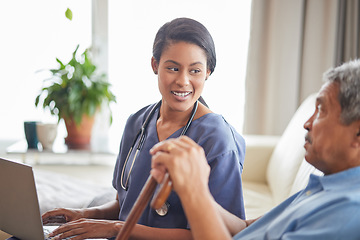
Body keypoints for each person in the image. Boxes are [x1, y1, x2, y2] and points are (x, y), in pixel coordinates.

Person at [42, 17, 246, 239]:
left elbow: (220, 232)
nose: (183, 81)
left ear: (208, 72)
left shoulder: (217, 138)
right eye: (173, 68)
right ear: (155, 65)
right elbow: (125, 204)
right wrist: (84, 215)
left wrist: (115, 228)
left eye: (195, 71)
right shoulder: (137, 123)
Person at [151, 59, 360, 239]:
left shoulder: (348, 213)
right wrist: (192, 186)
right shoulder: (322, 187)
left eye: (322, 110)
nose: (307, 123)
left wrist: (194, 191)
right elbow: (245, 228)